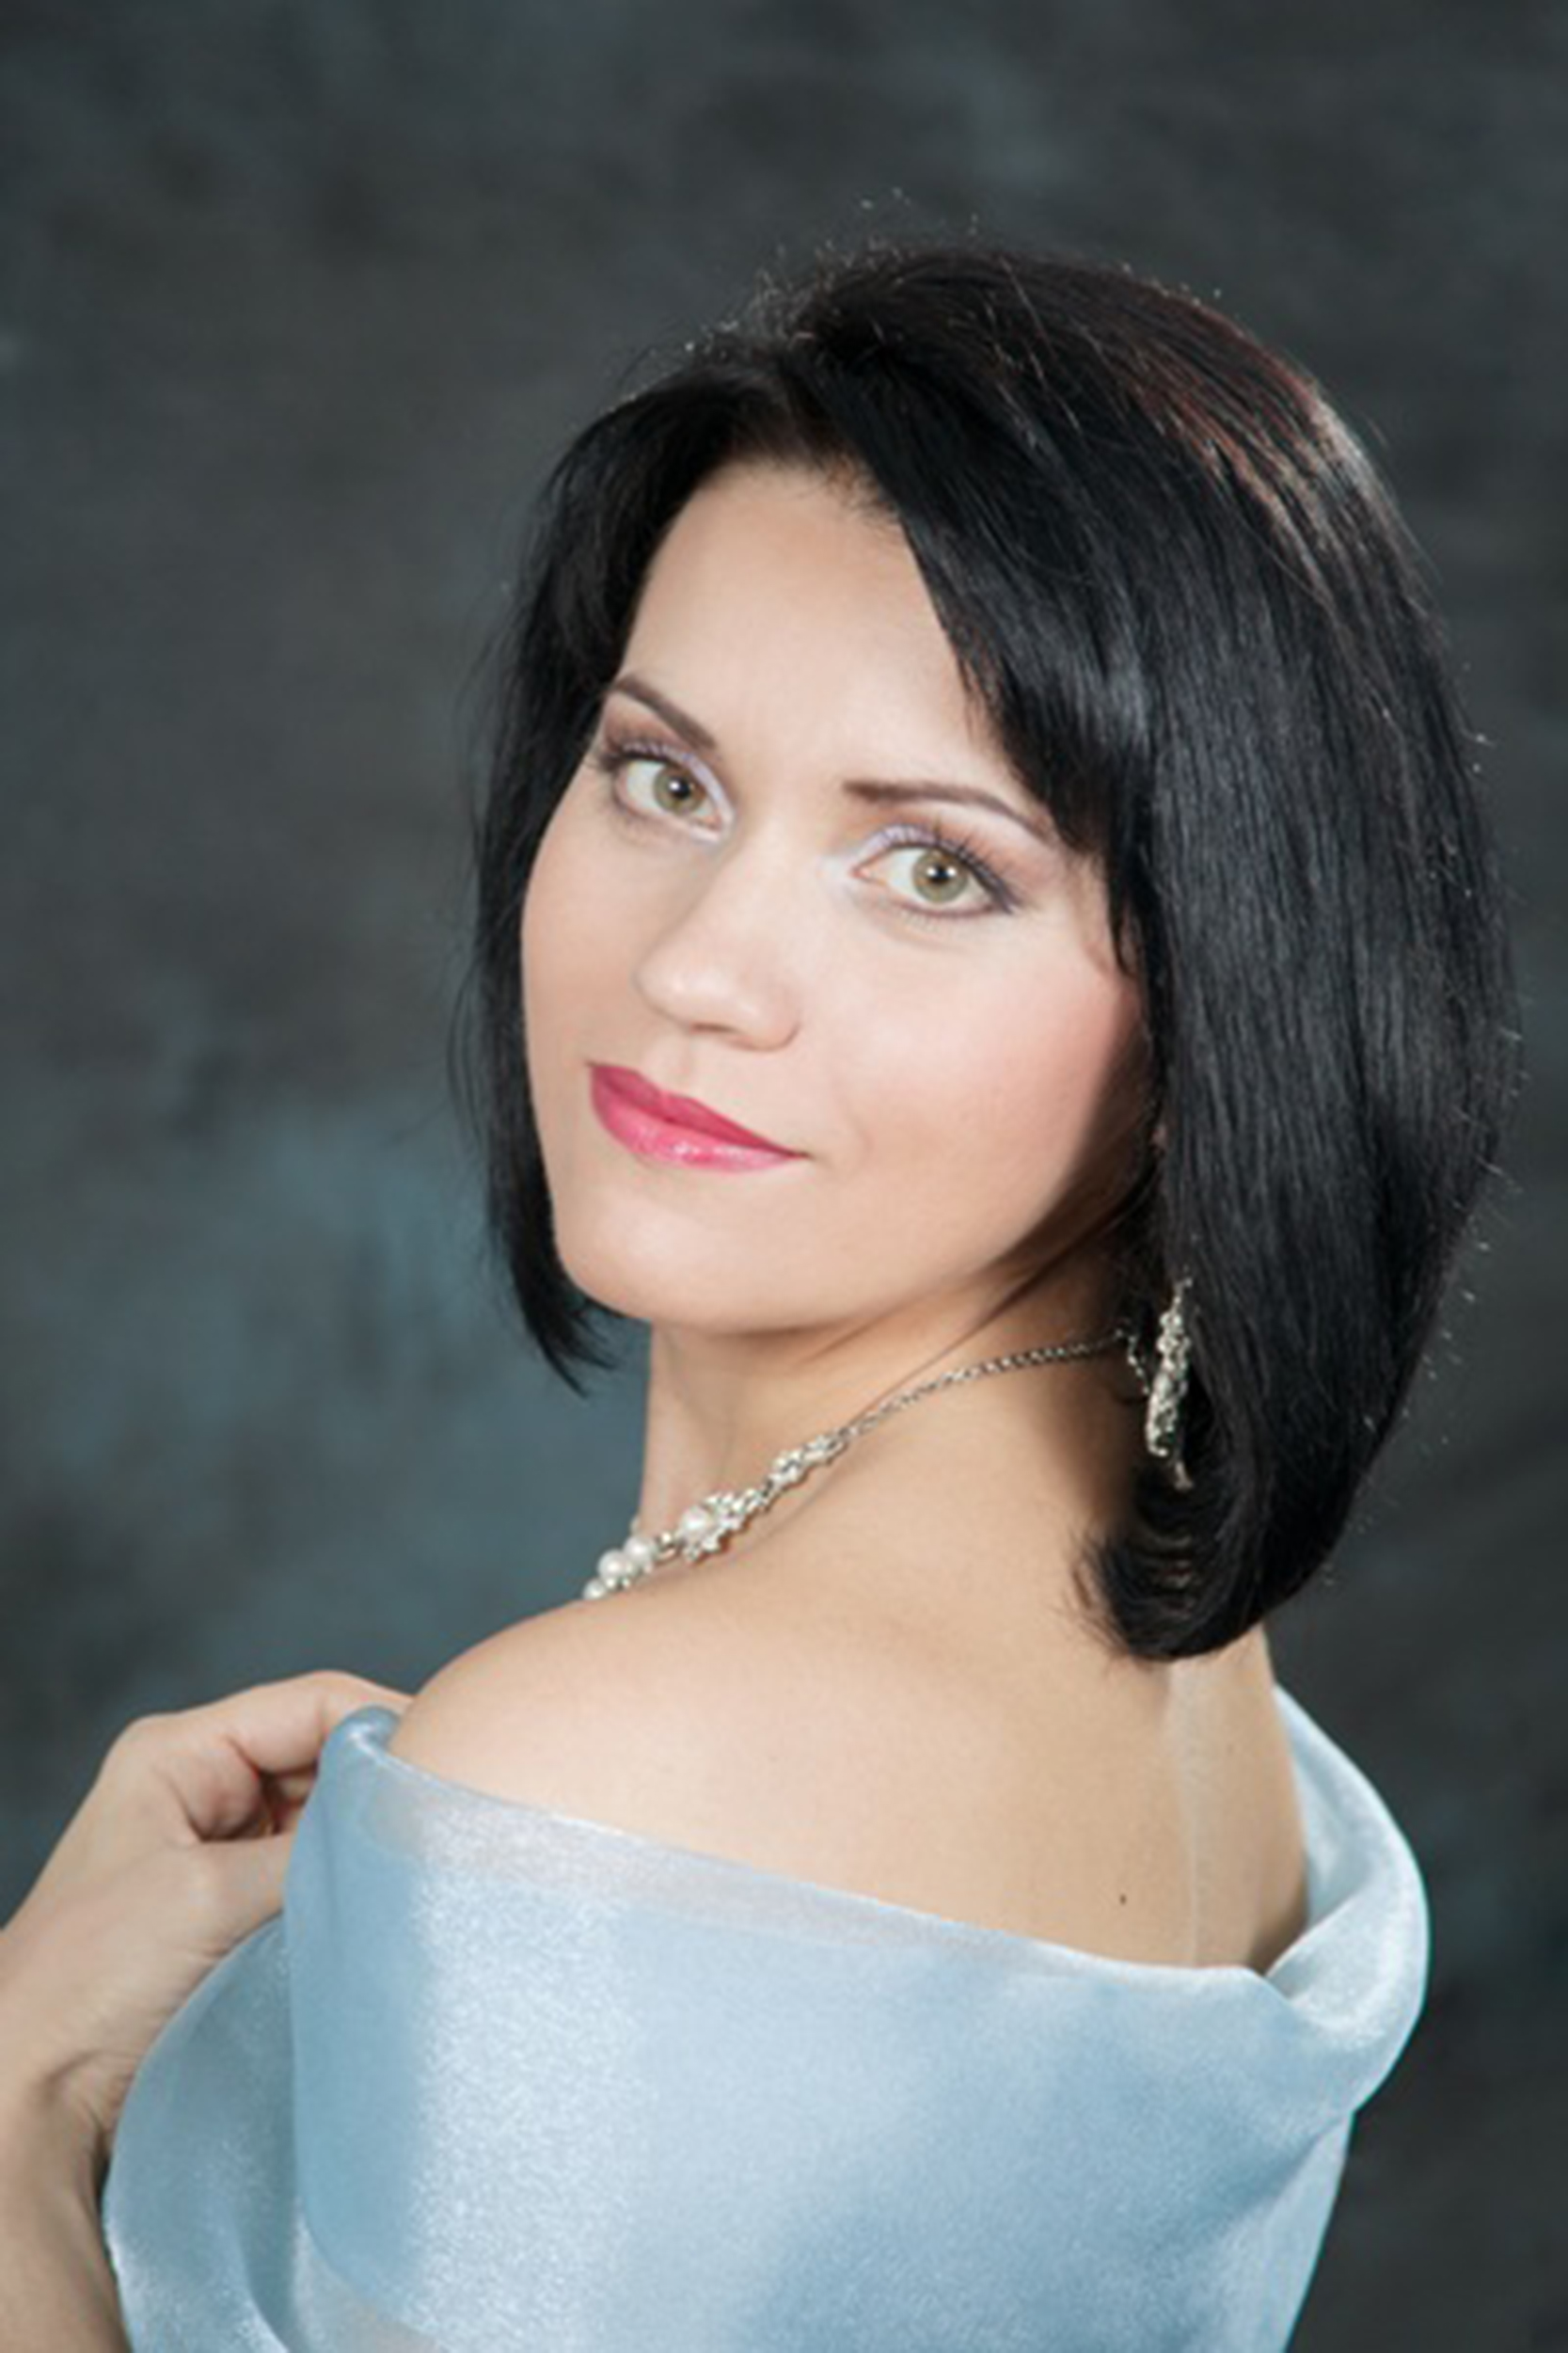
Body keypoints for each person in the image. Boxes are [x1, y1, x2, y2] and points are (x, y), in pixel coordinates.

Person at [0, 243, 1515, 2349]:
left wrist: (24, 2105)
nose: (700, 966)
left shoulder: (605, 1770)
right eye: (666, 776)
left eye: (936, 869)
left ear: (1216, 1007)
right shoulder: (1200, 1682)